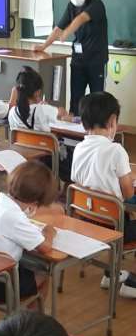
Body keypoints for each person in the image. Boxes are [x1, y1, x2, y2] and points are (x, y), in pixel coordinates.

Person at [0, 161, 57, 333]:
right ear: (36, 200)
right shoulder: (14, 216)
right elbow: (44, 247)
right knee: (44, 273)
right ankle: (29, 326)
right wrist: (49, 231)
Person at [71, 91, 136, 298]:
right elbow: (128, 193)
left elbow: (78, 181)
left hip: (85, 221)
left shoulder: (79, 148)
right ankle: (128, 283)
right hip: (112, 227)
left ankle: (111, 274)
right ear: (112, 121)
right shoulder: (116, 151)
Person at [34, 0, 108, 115]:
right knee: (75, 101)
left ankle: (95, 127)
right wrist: (44, 46)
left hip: (96, 61)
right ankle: (74, 127)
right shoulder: (71, 7)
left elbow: (81, 19)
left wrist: (67, 32)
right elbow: (58, 28)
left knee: (97, 101)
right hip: (78, 61)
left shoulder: (96, 4)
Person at [8, 66, 71, 132]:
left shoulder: (12, 112)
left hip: (20, 139)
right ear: (37, 92)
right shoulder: (40, 109)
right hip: (40, 139)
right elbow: (47, 132)